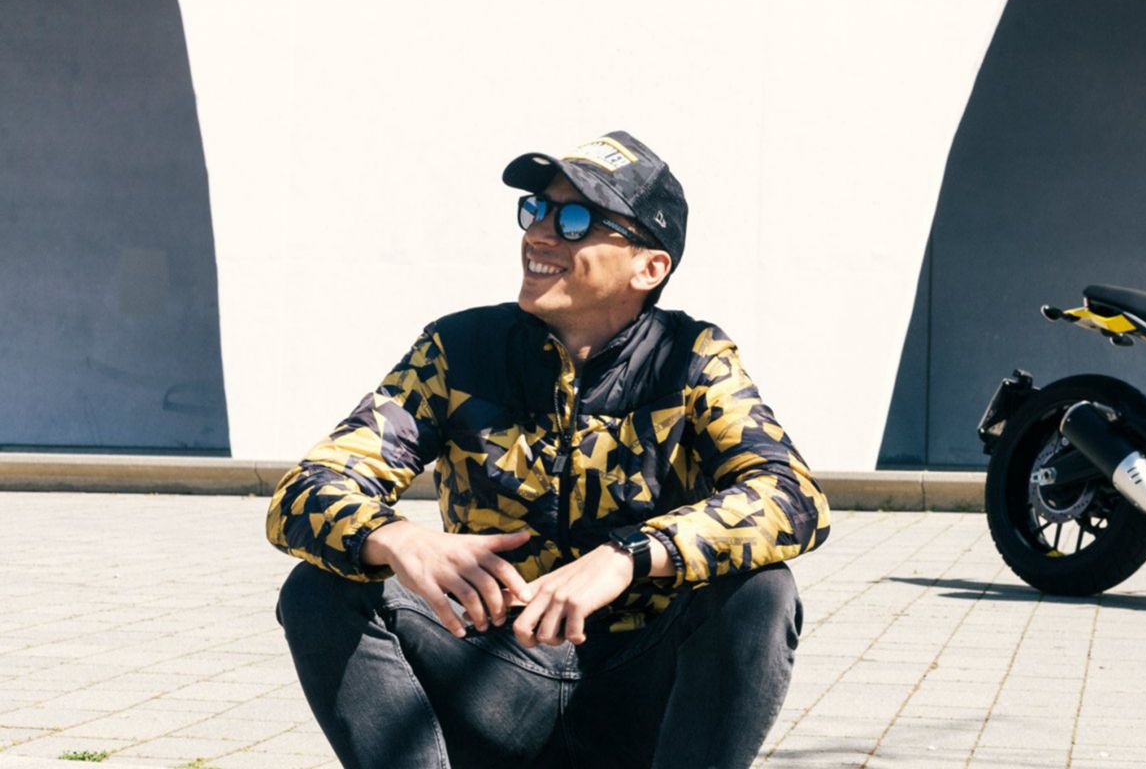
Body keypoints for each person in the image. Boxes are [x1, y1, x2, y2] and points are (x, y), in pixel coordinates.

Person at [267, 131, 831, 769]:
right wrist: (397, 538)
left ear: (649, 267)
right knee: (321, 588)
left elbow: (793, 496)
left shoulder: (691, 358)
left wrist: (630, 556)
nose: (540, 235)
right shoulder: (458, 350)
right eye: (536, 211)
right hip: (493, 677)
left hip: (644, 688)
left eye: (576, 221)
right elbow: (305, 489)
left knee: (762, 591)